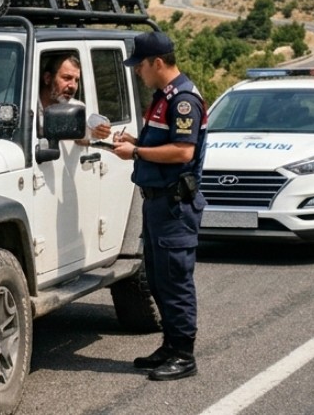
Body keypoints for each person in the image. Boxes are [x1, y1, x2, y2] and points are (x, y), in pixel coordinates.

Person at [110, 31, 206, 382]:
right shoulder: (162, 97)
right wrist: (134, 141)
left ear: (158, 63)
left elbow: (183, 151)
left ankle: (184, 354)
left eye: (141, 66)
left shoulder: (182, 100)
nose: (138, 72)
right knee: (160, 278)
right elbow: (162, 142)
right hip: (158, 202)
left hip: (174, 205)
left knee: (175, 279)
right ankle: (170, 345)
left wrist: (135, 152)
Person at [38, 52, 111, 141]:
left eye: (76, 80)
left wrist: (97, 132)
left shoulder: (77, 109)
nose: (73, 86)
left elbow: (86, 132)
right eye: (67, 78)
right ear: (48, 78)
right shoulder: (27, 106)